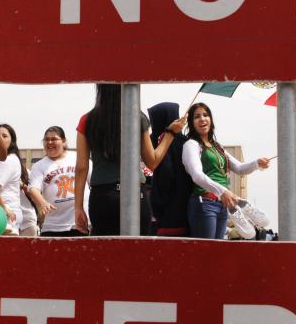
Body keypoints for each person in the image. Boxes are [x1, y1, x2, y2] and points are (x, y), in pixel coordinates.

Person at [73, 84, 184, 236]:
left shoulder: (87, 120)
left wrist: (78, 207)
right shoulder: (137, 117)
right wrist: (170, 133)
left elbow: (81, 168)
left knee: (106, 253)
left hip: (102, 195)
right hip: (135, 193)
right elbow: (152, 161)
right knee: (136, 253)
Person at [181, 102, 270, 239]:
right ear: (191, 123)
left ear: (211, 119)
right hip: (204, 203)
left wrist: (257, 163)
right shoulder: (191, 144)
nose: (202, 119)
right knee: (206, 252)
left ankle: (240, 206)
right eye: (197, 117)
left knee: (217, 252)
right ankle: (241, 205)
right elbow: (197, 176)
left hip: (223, 204)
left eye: (205, 115)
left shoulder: (218, 147)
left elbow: (239, 168)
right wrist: (223, 191)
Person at [29, 126, 88, 236]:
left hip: (78, 223)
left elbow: (92, 182)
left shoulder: (78, 157)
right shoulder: (39, 165)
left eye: (54, 139)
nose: (50, 142)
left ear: (64, 141)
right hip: (52, 226)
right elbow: (33, 189)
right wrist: (42, 203)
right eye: (46, 140)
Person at [147, 102, 193, 236]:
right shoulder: (187, 142)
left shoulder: (161, 142)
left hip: (166, 215)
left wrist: (156, 204)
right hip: (187, 212)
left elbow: (165, 177)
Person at [0, 124, 25, 235]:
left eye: (4, 136)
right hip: (0, 212)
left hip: (5, 212)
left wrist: (3, 207)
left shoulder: (9, 160)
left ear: (12, 142)